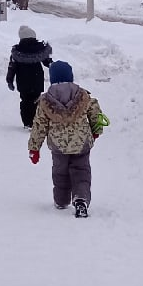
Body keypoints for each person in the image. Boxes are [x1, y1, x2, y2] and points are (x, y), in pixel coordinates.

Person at [26, 61, 108, 218]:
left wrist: (34, 148)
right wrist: (96, 131)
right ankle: (81, 198)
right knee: (81, 171)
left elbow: (39, 126)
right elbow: (96, 116)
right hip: (82, 143)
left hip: (58, 146)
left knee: (60, 173)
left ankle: (61, 200)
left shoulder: (45, 101)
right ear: (71, 77)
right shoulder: (84, 96)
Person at [6, 25, 52, 128]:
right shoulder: (39, 50)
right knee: (36, 100)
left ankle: (27, 122)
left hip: (23, 81)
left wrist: (9, 80)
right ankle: (36, 121)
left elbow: (12, 67)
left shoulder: (17, 52)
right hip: (37, 80)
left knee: (25, 101)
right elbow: (47, 62)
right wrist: (55, 67)